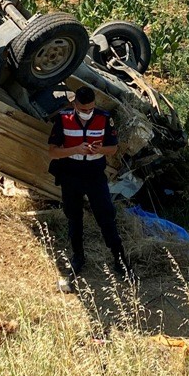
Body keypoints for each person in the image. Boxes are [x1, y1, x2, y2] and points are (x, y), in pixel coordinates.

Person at [47, 86, 130, 277]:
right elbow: (52, 151)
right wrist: (75, 149)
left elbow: (113, 149)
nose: (87, 112)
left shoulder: (103, 118)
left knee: (106, 216)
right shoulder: (63, 119)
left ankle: (120, 260)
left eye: (91, 109)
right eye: (83, 109)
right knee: (74, 217)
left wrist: (99, 150)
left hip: (94, 175)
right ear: (75, 105)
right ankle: (78, 257)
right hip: (71, 174)